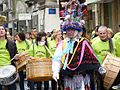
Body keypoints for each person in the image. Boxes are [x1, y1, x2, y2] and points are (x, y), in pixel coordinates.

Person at [52, 20, 100, 90]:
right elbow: (57, 59)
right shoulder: (62, 44)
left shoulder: (84, 42)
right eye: (68, 30)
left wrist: (98, 67)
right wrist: (55, 71)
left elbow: (92, 57)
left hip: (83, 76)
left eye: (72, 30)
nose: (70, 32)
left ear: (77, 31)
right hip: (68, 77)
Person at [0, 25, 17, 90]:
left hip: (9, 68)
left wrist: (16, 57)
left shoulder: (11, 43)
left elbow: (15, 55)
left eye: (2, 29)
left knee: (12, 87)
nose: (1, 31)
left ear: (5, 31)